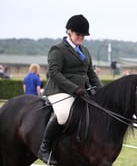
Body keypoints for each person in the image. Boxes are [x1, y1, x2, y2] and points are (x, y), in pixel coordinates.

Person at [38, 14, 103, 165]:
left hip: (82, 91)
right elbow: (54, 73)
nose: (80, 37)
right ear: (69, 32)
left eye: (83, 35)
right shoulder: (58, 49)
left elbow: (91, 73)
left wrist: (102, 90)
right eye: (78, 34)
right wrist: (74, 89)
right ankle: (44, 148)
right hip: (59, 90)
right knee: (62, 114)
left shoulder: (85, 51)